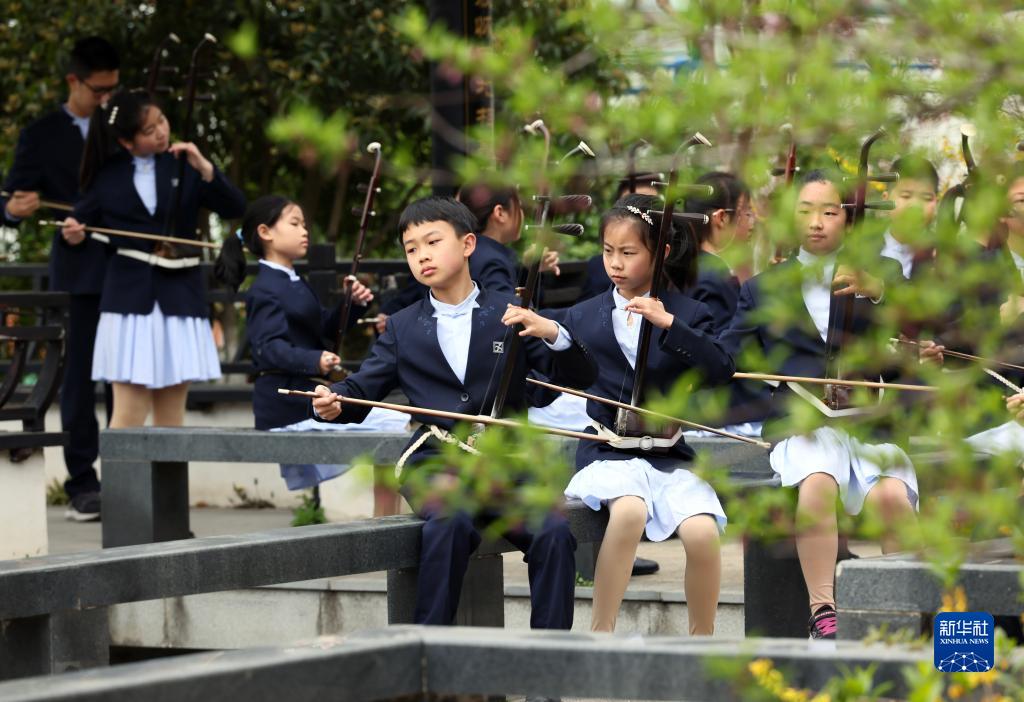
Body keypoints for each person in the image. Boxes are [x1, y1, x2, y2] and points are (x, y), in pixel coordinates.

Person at [311, 196, 596, 628]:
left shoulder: (510, 312)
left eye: (432, 242)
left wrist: (553, 332)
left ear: (467, 244)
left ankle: (548, 659)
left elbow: (579, 375)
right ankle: (428, 647)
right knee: (450, 520)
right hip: (437, 461)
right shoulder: (404, 326)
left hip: (507, 465)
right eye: (411, 248)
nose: (421, 255)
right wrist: (332, 401)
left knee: (554, 532)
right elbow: (360, 388)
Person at [507, 193, 736, 635]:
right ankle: (601, 631)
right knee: (629, 511)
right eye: (608, 251)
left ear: (661, 253)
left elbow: (720, 369)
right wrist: (552, 334)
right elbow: (557, 375)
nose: (615, 263)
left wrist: (670, 325)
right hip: (608, 451)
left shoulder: (691, 313)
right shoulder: (584, 314)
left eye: (628, 253)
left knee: (702, 532)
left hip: (669, 454)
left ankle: (702, 641)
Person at [719, 169, 917, 640]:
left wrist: (877, 290)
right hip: (803, 421)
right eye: (805, 211)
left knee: (892, 497)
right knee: (818, 482)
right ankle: (822, 611)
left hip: (866, 422)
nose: (816, 222)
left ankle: (909, 612)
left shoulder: (883, 273)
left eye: (829, 212)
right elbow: (726, 355)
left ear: (848, 218)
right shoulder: (763, 287)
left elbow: (922, 320)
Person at [61, 89, 246, 430]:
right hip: (128, 302)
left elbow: (236, 207)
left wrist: (205, 167)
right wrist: (73, 234)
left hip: (180, 297)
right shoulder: (107, 174)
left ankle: (169, 470)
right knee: (128, 414)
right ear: (127, 142)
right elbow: (79, 226)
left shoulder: (185, 165)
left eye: (162, 121)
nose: (162, 132)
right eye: (149, 130)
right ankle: (120, 470)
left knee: (172, 419)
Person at [1, 37, 120, 521]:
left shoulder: (123, 125)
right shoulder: (42, 134)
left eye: (113, 90)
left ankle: (129, 479)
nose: (106, 99)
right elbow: (10, 199)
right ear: (74, 81)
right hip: (78, 271)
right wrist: (13, 209)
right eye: (98, 90)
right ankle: (83, 483)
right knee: (80, 378)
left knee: (127, 378)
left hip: (129, 267)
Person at [214, 195, 406, 492]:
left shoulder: (293, 280)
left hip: (306, 397)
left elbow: (324, 330)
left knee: (393, 422)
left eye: (304, 224)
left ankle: (384, 514)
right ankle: (384, 515)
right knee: (392, 422)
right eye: (295, 223)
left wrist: (352, 304)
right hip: (286, 405)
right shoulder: (264, 288)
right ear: (265, 232)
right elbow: (268, 349)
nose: (304, 231)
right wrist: (314, 360)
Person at [683, 171, 755, 333]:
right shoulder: (713, 279)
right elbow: (722, 343)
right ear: (721, 218)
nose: (752, 223)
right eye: (747, 213)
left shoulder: (687, 264)